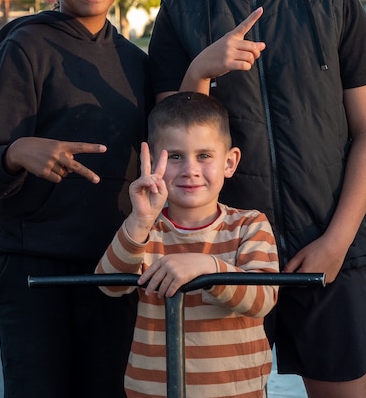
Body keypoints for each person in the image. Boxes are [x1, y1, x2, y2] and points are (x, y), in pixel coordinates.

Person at [148, 0, 366, 398]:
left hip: (326, 247)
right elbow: (169, 136)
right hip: (220, 255)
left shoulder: (335, 1)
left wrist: (337, 240)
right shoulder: (180, 12)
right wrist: (200, 71)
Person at [0, 0, 153, 398]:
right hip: (35, 275)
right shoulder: (26, 47)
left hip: (116, 272)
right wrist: (17, 152)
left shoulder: (139, 64)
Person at [97, 92, 279, 398]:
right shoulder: (145, 231)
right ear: (154, 163)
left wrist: (208, 268)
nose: (190, 170)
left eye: (204, 155)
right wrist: (140, 220)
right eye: (175, 156)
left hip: (236, 392)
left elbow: (262, 299)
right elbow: (108, 285)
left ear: (230, 162)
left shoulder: (249, 225)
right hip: (154, 391)